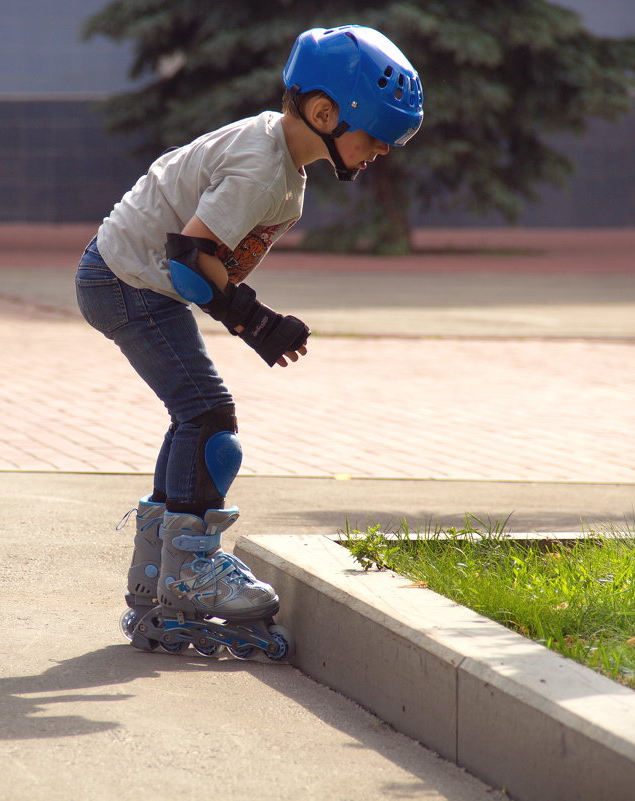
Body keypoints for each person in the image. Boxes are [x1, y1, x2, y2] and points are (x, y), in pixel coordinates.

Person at [75, 25, 423, 657]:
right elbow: (188, 257)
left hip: (125, 274)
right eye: (375, 136)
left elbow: (193, 257)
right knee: (210, 424)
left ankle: (158, 579)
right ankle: (189, 573)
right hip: (130, 282)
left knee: (193, 417)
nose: (382, 152)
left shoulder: (276, 152)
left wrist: (244, 315)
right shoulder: (264, 170)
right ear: (324, 112)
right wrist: (253, 320)